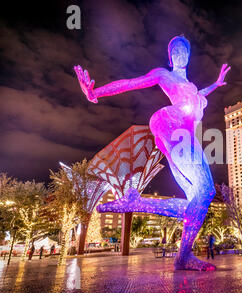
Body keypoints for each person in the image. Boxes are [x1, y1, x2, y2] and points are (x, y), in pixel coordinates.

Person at [80, 36, 230, 271]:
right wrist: (95, 92)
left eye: (184, 51)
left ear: (188, 56)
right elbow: (132, 82)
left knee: (198, 201)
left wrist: (216, 83)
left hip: (186, 135)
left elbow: (199, 94)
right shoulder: (165, 75)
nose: (180, 55)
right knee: (205, 191)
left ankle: (138, 204)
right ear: (171, 56)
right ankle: (183, 257)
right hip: (172, 124)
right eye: (176, 51)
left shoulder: (191, 89)